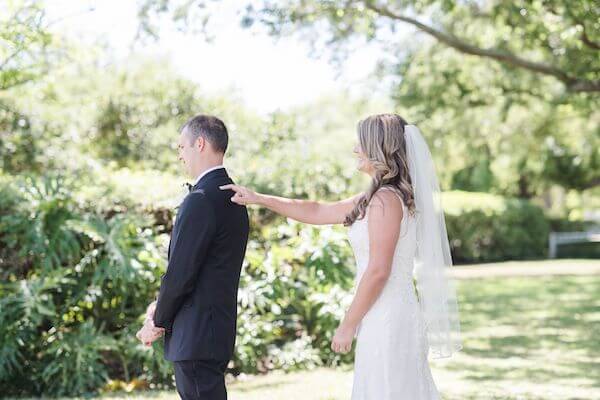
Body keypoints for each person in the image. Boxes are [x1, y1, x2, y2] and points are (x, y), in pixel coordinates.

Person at [220, 113, 461, 399]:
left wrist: (347, 325)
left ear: (378, 148)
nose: (355, 149)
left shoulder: (385, 200)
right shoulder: (376, 197)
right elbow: (316, 210)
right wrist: (259, 198)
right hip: (384, 312)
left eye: (361, 143)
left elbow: (378, 271)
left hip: (388, 316)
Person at [136, 114, 250, 400]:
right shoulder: (234, 198)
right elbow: (204, 269)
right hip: (213, 331)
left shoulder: (201, 198)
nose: (180, 156)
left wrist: (157, 322)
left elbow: (181, 273)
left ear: (199, 144)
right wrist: (158, 307)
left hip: (195, 336)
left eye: (181, 147)